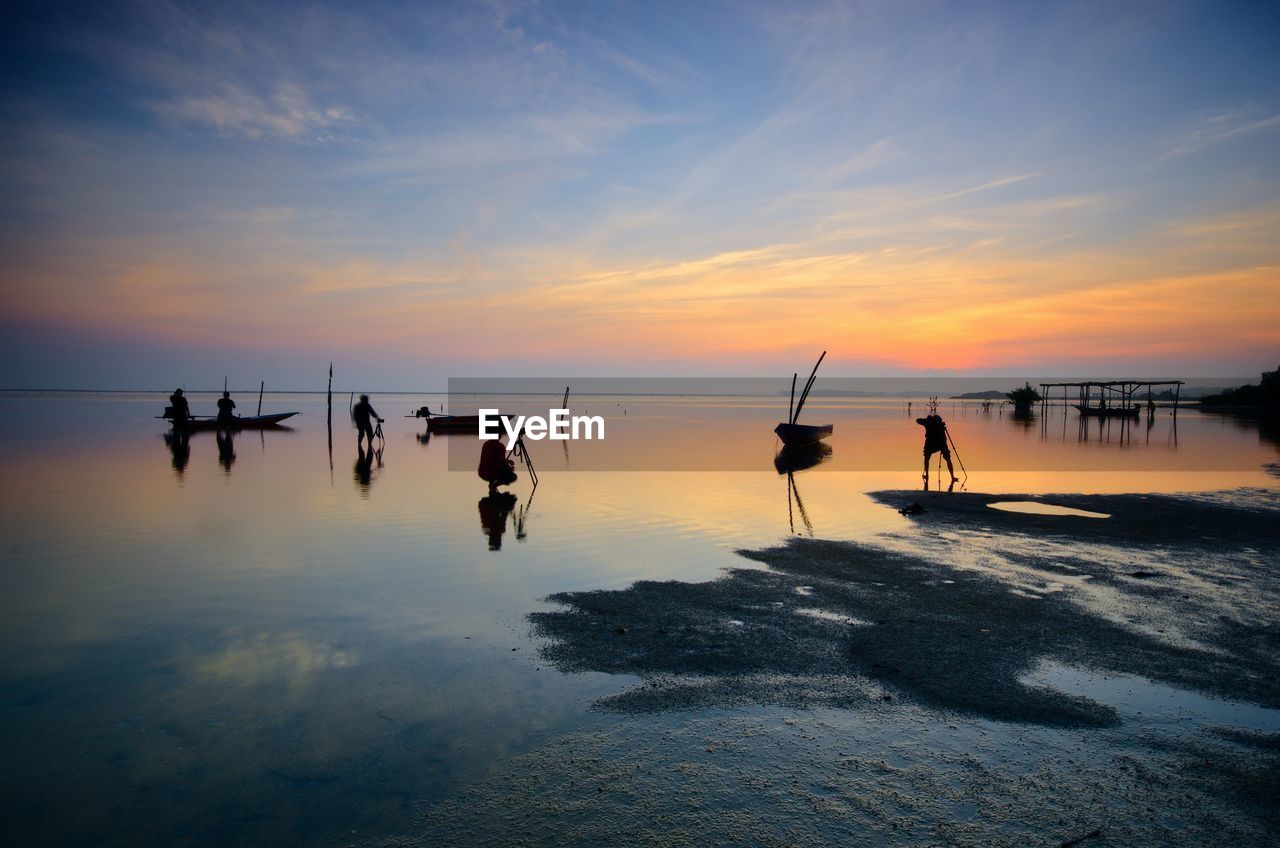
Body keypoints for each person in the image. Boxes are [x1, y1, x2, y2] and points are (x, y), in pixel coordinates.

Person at [916, 412, 957, 489]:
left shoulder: (927, 422)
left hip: (931, 443)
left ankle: (927, 475)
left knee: (926, 458)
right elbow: (917, 420)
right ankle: (952, 477)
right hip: (941, 443)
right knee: (948, 459)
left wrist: (927, 420)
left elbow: (917, 420)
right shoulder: (940, 424)